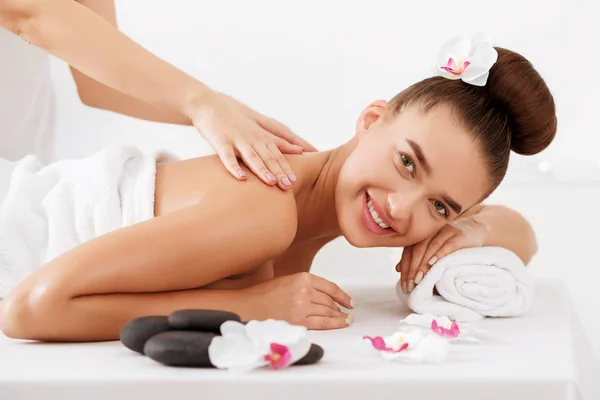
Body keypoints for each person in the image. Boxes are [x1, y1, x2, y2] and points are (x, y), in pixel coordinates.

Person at [0, 38, 557, 342]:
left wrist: (466, 228)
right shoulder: (264, 208)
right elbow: (30, 309)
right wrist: (245, 307)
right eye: (407, 162)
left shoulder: (315, 213)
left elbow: (521, 233)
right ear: (371, 120)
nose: (400, 207)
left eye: (439, 204)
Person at [0, 0, 315, 189]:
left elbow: (100, 86)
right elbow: (28, 14)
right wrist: (200, 104)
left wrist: (234, 117)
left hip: (25, 189)